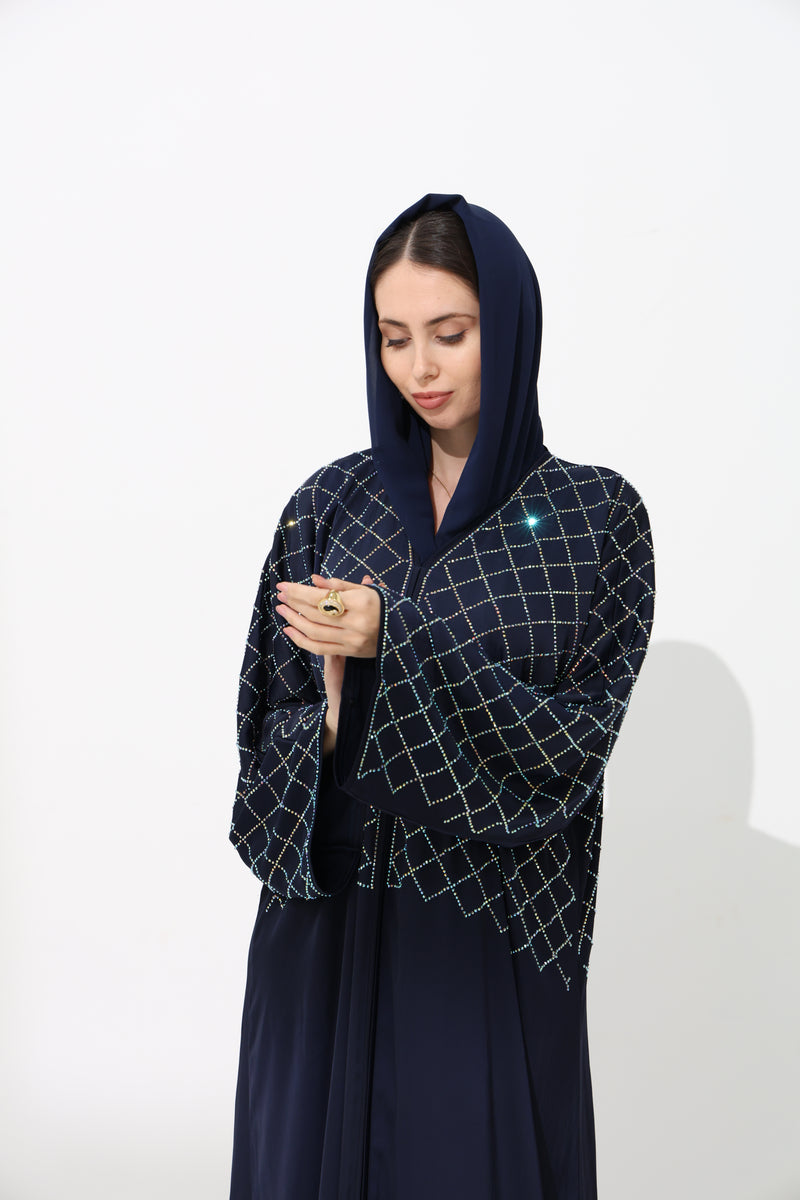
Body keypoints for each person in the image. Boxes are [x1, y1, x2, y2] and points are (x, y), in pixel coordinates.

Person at [228, 192, 656, 1200]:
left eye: (450, 334)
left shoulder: (596, 520)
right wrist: (337, 720)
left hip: (488, 940)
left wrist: (396, 643)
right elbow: (260, 736)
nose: (419, 367)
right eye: (394, 338)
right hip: (322, 933)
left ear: (509, 328)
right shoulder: (328, 505)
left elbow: (572, 750)